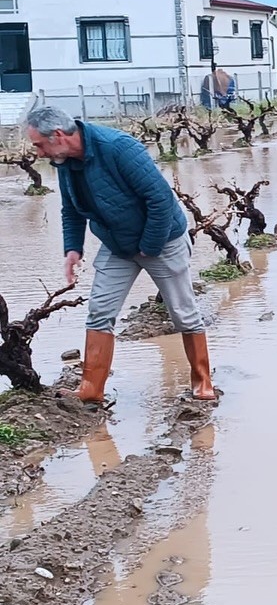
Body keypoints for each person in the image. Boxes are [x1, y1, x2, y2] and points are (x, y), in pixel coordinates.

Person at [24, 105, 216, 403]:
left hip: (162, 240)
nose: (37, 152)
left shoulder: (118, 148)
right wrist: (72, 249)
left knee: (183, 312)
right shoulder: (65, 162)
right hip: (117, 245)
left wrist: (149, 247)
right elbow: (70, 209)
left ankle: (202, 383)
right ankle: (91, 389)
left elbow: (160, 200)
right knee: (100, 310)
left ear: (58, 135)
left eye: (38, 144)